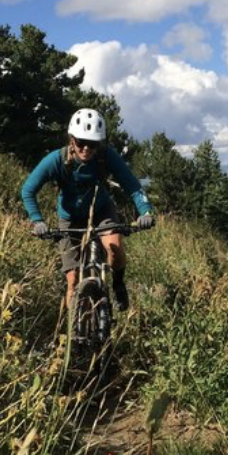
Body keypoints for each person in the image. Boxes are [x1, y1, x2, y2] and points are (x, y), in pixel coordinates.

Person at [21, 108, 154, 312]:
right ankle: (70, 333)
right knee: (73, 280)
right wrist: (37, 221)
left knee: (114, 246)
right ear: (71, 139)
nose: (86, 149)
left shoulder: (106, 156)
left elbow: (133, 186)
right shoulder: (56, 160)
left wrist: (145, 212)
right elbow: (28, 190)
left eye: (92, 144)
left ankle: (118, 284)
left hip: (101, 211)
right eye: (81, 142)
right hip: (69, 218)